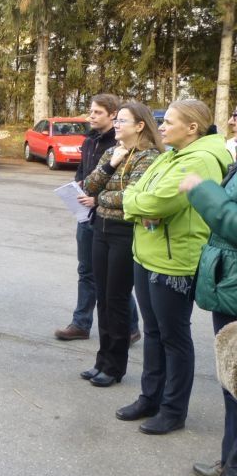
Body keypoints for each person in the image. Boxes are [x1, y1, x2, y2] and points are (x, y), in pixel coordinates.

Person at [119, 99, 232, 435]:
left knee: (173, 337)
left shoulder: (202, 158)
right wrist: (137, 203)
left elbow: (160, 202)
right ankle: (150, 398)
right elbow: (134, 190)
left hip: (175, 261)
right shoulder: (171, 154)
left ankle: (173, 410)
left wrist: (137, 204)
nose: (162, 127)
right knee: (153, 333)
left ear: (192, 127)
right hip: (147, 253)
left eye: (169, 122)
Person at [79, 102, 161, 387]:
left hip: (125, 232)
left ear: (140, 125)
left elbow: (129, 198)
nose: (116, 124)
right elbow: (88, 185)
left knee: (116, 299)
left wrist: (98, 199)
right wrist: (111, 164)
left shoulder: (149, 157)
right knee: (102, 297)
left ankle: (115, 366)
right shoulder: (113, 151)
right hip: (100, 228)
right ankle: (102, 360)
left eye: (122, 121)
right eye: (117, 120)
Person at [54, 94, 141, 343]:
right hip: (85, 215)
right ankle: (81, 324)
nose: (91, 116)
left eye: (97, 112)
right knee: (86, 271)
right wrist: (78, 186)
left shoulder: (120, 144)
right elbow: (83, 173)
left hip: (109, 217)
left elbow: (122, 184)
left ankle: (130, 327)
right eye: (90, 111)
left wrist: (96, 198)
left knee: (113, 278)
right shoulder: (89, 140)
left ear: (113, 115)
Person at [180, 161, 237, 476]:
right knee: (231, 385)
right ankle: (228, 464)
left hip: (233, 287)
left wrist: (202, 192)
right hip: (227, 284)